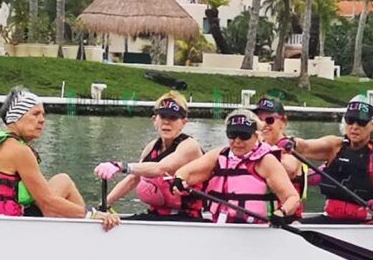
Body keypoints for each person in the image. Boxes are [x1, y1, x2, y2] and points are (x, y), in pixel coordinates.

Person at [0, 87, 119, 230]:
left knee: (61, 180)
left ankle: (80, 226)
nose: (42, 120)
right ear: (16, 117)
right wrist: (92, 214)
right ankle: (88, 231)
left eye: (43, 114)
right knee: (64, 182)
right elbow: (47, 202)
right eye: (35, 114)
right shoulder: (19, 150)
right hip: (7, 223)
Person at [279, 97, 373, 224]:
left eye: (361, 122)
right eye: (350, 121)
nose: (354, 127)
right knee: (295, 225)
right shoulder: (334, 146)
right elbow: (306, 147)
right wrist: (291, 142)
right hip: (333, 218)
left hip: (369, 224)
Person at [173, 109, 301, 224]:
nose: (237, 141)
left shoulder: (266, 161)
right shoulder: (218, 155)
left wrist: (281, 213)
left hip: (257, 230)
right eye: (232, 135)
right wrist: (179, 179)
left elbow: (292, 198)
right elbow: (185, 173)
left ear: (256, 136)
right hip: (222, 225)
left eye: (244, 135)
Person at [94, 92, 204, 221]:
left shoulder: (190, 146)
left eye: (173, 117)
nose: (167, 122)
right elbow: (132, 179)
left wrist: (119, 166)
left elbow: (160, 168)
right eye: (163, 117)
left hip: (186, 219)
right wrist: (104, 205)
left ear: (183, 123)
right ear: (154, 120)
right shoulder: (151, 147)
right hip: (156, 215)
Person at [253, 96, 308, 219]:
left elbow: (290, 170)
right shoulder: (251, 148)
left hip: (285, 219)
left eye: (269, 120)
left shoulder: (291, 147)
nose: (263, 125)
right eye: (258, 120)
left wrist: (262, 148)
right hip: (260, 219)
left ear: (283, 122)